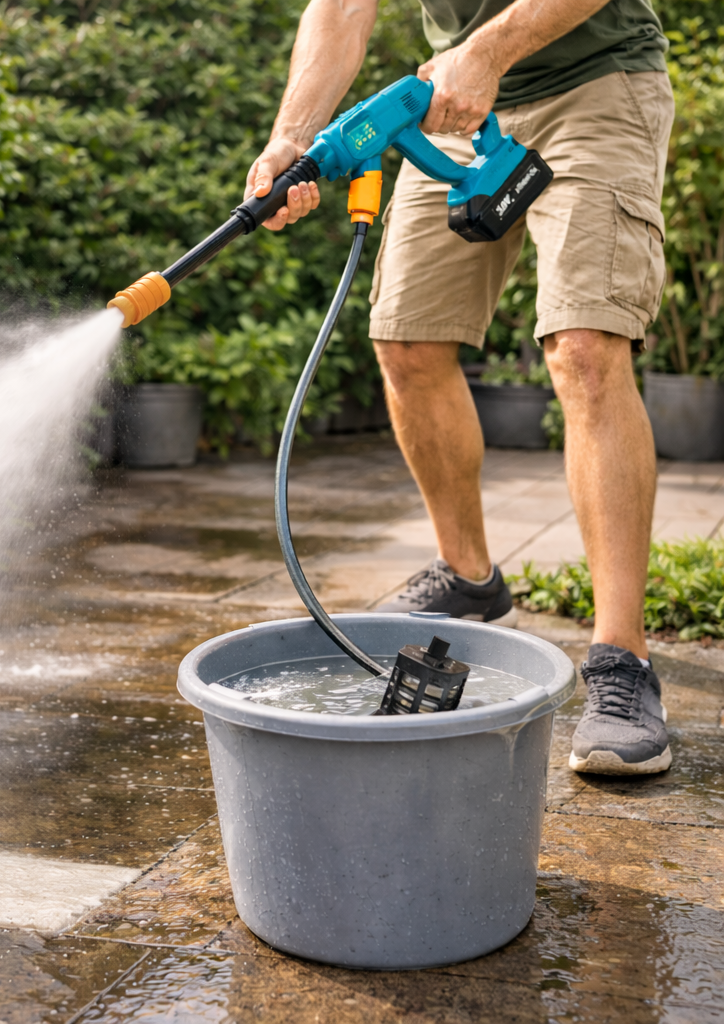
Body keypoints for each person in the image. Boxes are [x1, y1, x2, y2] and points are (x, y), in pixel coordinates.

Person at [247, 0, 674, 775]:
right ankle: (471, 577)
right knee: (407, 339)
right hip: (453, 97)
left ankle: (622, 663)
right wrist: (293, 136)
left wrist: (490, 48)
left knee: (583, 346)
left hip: (594, 81)